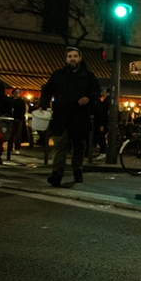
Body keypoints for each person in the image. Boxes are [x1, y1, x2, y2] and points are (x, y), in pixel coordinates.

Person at [39, 47, 101, 187]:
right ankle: (57, 173)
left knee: (79, 145)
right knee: (60, 144)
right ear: (66, 59)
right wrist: (43, 104)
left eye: (75, 56)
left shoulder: (88, 75)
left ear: (80, 58)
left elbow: (96, 91)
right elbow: (48, 90)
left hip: (79, 116)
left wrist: (88, 98)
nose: (72, 58)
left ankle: (77, 168)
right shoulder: (58, 75)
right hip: (61, 116)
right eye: (69, 56)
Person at [9, 88, 27, 154]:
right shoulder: (10, 100)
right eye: (15, 92)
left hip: (18, 119)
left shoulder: (21, 101)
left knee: (17, 134)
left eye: (18, 92)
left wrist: (19, 118)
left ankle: (17, 148)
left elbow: (23, 110)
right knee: (10, 134)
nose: (16, 93)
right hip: (10, 119)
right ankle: (10, 148)